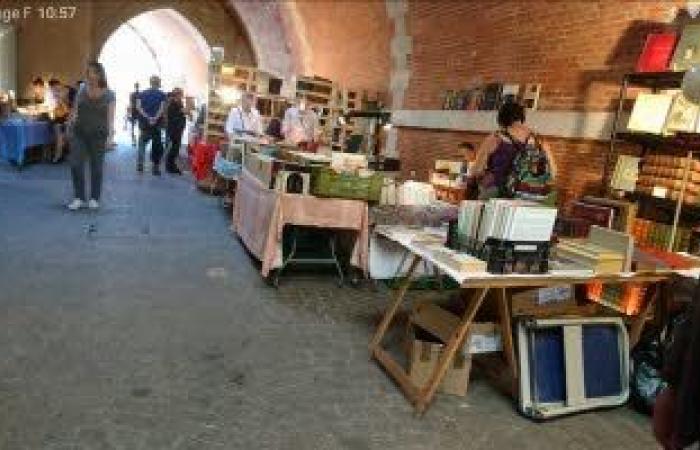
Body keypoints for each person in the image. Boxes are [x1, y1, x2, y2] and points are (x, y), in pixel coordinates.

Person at [66, 61, 115, 211]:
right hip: (79, 132)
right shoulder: (81, 89)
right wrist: (69, 125)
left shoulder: (109, 94)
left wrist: (110, 137)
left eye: (92, 72)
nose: (89, 75)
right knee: (75, 164)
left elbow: (110, 119)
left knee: (97, 168)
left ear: (100, 74)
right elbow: (75, 110)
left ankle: (94, 198)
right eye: (87, 72)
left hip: (98, 135)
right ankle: (79, 198)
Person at [470, 102, 531, 200]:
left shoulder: (496, 138)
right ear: (521, 117)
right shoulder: (537, 139)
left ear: (501, 117)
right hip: (524, 193)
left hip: (496, 190)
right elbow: (553, 170)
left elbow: (477, 169)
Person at [136, 76, 167, 175]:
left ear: (150, 82)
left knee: (142, 144)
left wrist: (148, 117)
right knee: (156, 146)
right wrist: (155, 118)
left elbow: (138, 107)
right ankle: (155, 168)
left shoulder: (142, 94)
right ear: (158, 83)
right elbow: (162, 109)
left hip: (144, 123)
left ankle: (140, 165)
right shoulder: (162, 95)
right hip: (156, 125)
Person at [47, 78, 71, 163]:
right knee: (62, 137)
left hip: (59, 117)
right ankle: (60, 155)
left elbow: (57, 105)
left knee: (59, 137)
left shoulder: (56, 93)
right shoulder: (63, 91)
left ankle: (57, 157)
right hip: (63, 116)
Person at [165, 87, 186, 174]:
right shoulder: (174, 103)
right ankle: (170, 166)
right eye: (181, 94)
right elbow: (184, 112)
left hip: (176, 128)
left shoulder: (176, 103)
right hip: (174, 129)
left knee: (175, 148)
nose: (182, 96)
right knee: (174, 148)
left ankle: (171, 165)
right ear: (178, 95)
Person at [128, 82, 140, 146]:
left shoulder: (132, 94)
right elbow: (130, 103)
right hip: (136, 110)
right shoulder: (139, 94)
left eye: (137, 86)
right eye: (136, 86)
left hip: (135, 110)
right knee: (134, 124)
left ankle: (133, 137)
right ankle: (133, 136)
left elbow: (130, 103)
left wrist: (129, 110)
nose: (137, 87)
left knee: (133, 124)